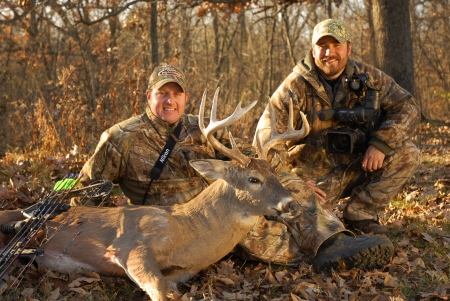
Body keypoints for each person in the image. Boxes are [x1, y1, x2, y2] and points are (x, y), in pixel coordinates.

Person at [79, 63, 395, 273]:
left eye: (176, 94)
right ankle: (321, 254)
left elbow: (250, 163)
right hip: (168, 228)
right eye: (162, 93)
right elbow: (87, 189)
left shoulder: (201, 131)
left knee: (284, 187)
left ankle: (335, 241)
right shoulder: (121, 137)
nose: (169, 101)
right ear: (149, 96)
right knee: (261, 235)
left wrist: (290, 180)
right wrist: (80, 226)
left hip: (215, 211)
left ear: (186, 98)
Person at [254, 19, 420, 248]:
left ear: (349, 48)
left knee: (407, 153)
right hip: (313, 177)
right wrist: (292, 181)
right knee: (286, 223)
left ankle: (361, 214)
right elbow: (265, 138)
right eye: (322, 46)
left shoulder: (368, 77)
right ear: (313, 50)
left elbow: (408, 107)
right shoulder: (295, 86)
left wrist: (381, 143)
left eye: (336, 45)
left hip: (358, 162)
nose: (328, 52)